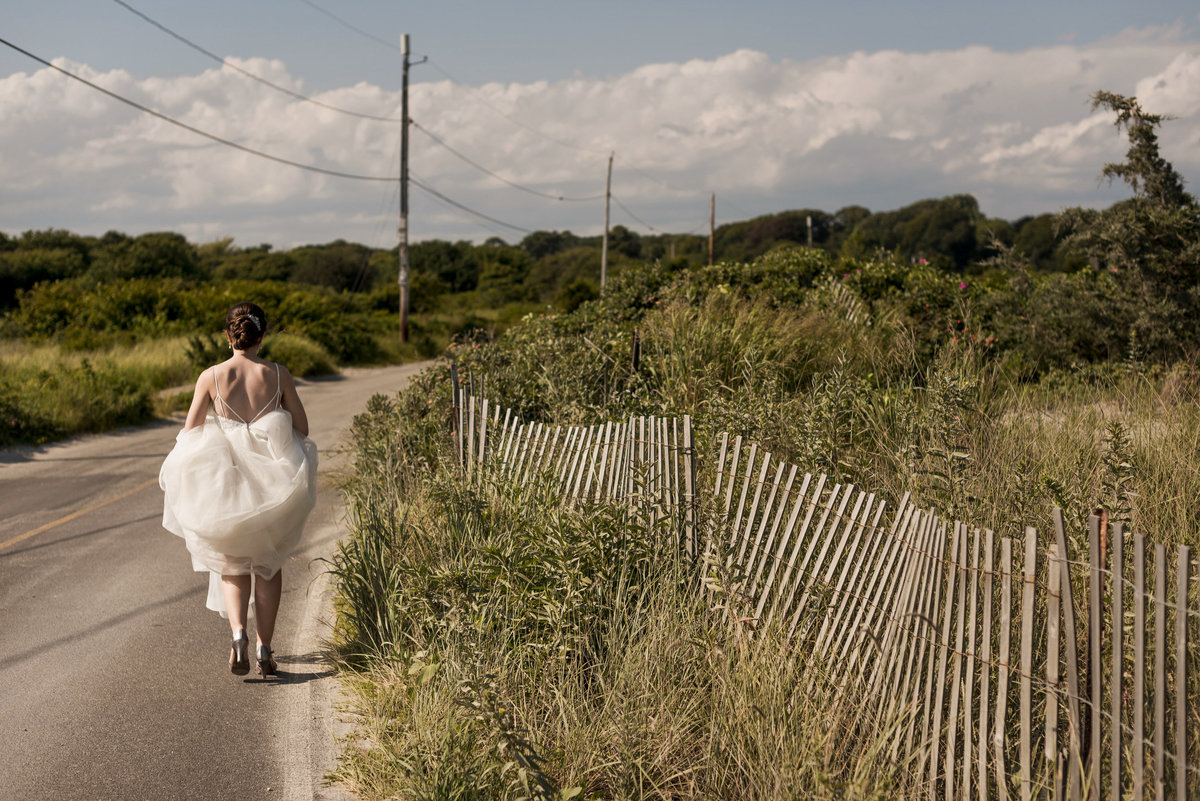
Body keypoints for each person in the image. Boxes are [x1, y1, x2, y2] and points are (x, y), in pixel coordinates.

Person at [159, 302, 318, 677]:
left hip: (226, 482)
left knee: (232, 563)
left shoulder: (211, 376)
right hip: (272, 484)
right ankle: (265, 647)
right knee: (267, 564)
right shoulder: (279, 374)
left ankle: (238, 635)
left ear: (228, 336)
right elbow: (304, 428)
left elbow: (191, 431)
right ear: (262, 335)